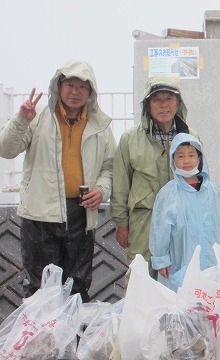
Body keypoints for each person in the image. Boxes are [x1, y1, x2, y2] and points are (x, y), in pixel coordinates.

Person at [0, 59, 117, 302]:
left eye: (82, 87)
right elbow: (6, 149)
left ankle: (73, 339)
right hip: (40, 214)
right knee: (40, 288)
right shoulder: (38, 115)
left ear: (91, 92)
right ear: (58, 86)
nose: (75, 92)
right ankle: (42, 339)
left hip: (81, 213)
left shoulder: (99, 124)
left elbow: (109, 166)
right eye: (70, 85)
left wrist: (102, 190)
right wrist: (21, 119)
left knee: (78, 286)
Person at [111, 76, 198, 279]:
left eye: (169, 98)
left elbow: (201, 181)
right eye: (156, 99)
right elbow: (121, 184)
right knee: (140, 276)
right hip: (144, 220)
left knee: (183, 275)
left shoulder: (191, 138)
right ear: (147, 105)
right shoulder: (130, 139)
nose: (163, 105)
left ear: (178, 104)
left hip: (183, 219)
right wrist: (121, 223)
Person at [149, 133, 220, 291]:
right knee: (181, 304)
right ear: (173, 160)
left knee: (210, 305)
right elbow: (159, 229)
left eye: (191, 155)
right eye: (180, 156)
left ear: (199, 159)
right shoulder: (168, 193)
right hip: (180, 262)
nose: (186, 161)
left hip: (211, 263)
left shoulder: (212, 192)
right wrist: (161, 259)